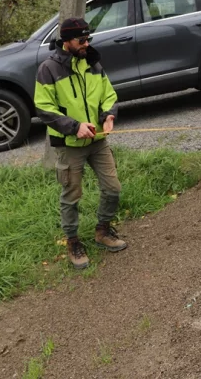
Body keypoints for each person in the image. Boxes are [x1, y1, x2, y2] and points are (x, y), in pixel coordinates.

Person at [35, 17, 127, 269]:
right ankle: (73, 242)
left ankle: (102, 230)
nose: (87, 43)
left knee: (113, 189)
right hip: (69, 146)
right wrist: (75, 127)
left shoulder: (92, 63)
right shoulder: (48, 69)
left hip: (98, 141)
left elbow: (108, 94)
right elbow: (44, 108)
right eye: (81, 40)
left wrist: (108, 114)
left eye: (89, 39)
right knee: (71, 196)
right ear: (66, 42)